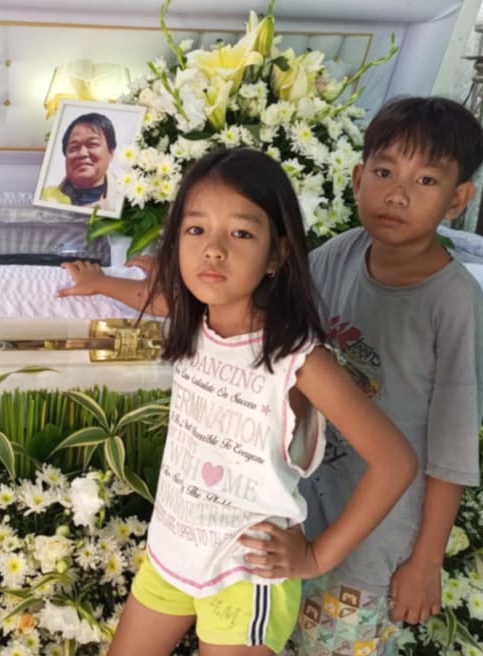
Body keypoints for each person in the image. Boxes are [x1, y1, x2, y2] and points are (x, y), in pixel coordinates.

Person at [58, 147, 417, 655]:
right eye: (196, 230)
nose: (213, 250)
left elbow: (394, 461)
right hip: (172, 553)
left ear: (278, 254)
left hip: (245, 577)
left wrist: (315, 557)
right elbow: (158, 300)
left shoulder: (297, 359)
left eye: (242, 233)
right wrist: (99, 283)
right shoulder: (196, 322)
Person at [289, 96, 483, 656]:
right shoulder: (337, 256)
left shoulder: (453, 304)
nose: (397, 194)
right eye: (384, 172)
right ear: (357, 179)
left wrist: (426, 562)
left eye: (426, 180)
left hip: (374, 546)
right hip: (305, 515)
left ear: (458, 200)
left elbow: (452, 449)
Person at [40, 112, 118, 211]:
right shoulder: (44, 197)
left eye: (92, 144)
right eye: (74, 147)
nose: (82, 153)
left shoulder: (125, 199)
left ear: (110, 153)